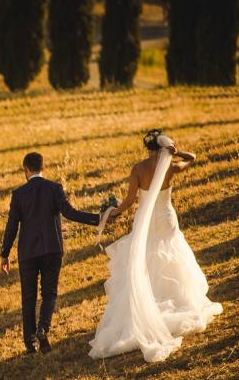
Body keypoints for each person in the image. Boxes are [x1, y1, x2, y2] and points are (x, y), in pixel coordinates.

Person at [88, 130, 222, 363]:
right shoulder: (170, 165)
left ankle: (150, 301)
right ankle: (176, 299)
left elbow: (130, 202)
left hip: (147, 220)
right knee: (171, 256)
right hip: (166, 218)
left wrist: (112, 212)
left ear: (147, 148)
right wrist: (176, 152)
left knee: (146, 259)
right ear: (163, 147)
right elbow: (193, 158)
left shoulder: (138, 169)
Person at [0, 152, 104, 354]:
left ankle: (30, 343)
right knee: (49, 294)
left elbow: (11, 226)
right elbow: (70, 213)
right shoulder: (54, 188)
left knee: (28, 297)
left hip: (28, 253)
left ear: (26, 169)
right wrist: (98, 219)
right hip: (52, 250)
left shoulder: (18, 194)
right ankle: (42, 328)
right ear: (42, 168)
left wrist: (4, 253)